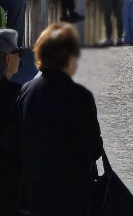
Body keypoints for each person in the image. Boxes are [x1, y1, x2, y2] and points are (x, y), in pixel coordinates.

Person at [13, 23, 103, 216]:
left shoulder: (26, 90)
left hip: (33, 191)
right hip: (69, 192)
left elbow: (17, 139)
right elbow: (92, 146)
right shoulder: (80, 96)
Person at [0, 29, 23, 215]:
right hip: (9, 176)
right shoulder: (16, 93)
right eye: (19, 53)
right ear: (7, 59)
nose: (20, 58)